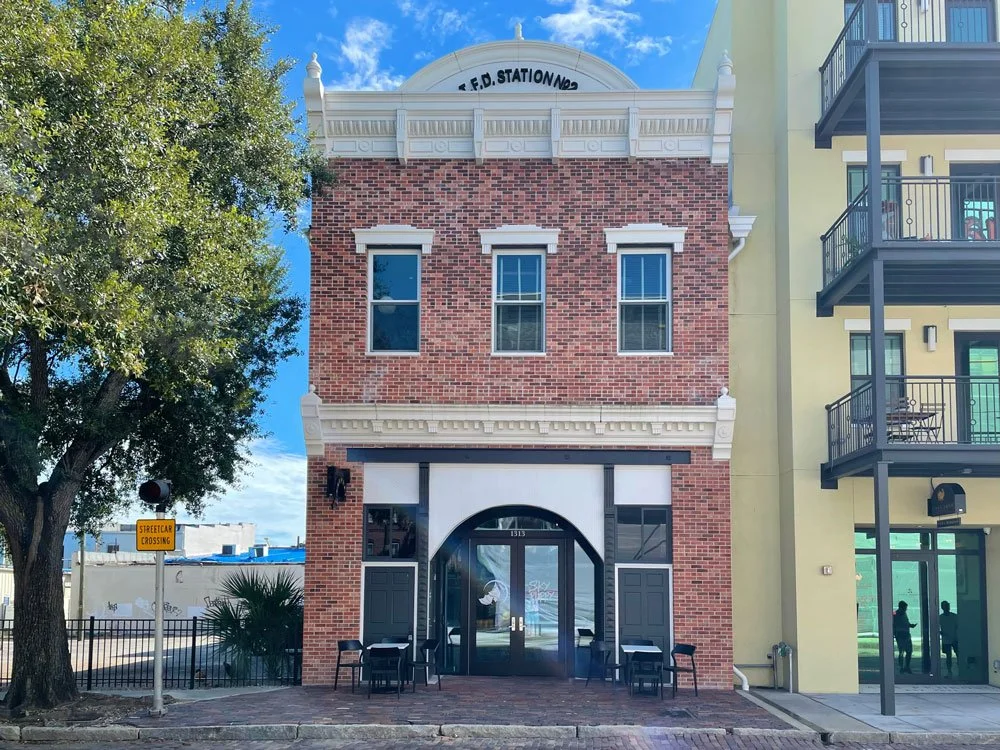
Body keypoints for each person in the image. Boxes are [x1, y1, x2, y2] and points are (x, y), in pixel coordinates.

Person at [893, 600, 917, 674]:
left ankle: (907, 666)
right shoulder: (895, 614)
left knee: (909, 651)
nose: (906, 609)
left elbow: (905, 622)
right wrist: (895, 633)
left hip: (906, 634)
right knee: (901, 651)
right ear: (901, 607)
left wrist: (910, 625)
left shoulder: (904, 613)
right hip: (900, 635)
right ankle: (901, 667)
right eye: (905, 608)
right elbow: (893, 624)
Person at [940, 601, 960, 677]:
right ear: (942, 607)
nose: (947, 608)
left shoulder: (955, 616)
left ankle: (960, 670)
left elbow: (958, 627)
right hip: (946, 640)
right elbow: (937, 628)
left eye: (948, 606)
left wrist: (956, 637)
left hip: (955, 639)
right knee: (948, 656)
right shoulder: (940, 617)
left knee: (959, 655)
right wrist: (941, 633)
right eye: (946, 606)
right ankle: (949, 671)